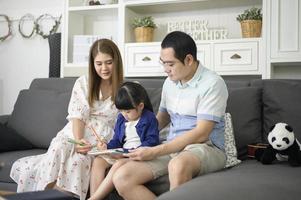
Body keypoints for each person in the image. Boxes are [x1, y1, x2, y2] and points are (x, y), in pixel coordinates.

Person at [111, 31, 229, 200]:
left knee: (178, 165)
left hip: (206, 146)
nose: (166, 69)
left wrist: (156, 150)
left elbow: (201, 133)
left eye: (170, 64)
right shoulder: (170, 83)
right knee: (122, 177)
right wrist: (134, 142)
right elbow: (162, 118)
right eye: (163, 63)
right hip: (173, 146)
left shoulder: (212, 83)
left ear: (188, 60)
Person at [10, 38, 124, 200]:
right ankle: (41, 195)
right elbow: (78, 115)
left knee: (78, 162)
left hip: (100, 141)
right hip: (75, 134)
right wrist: (79, 141)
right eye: (99, 63)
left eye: (109, 62)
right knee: (58, 149)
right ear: (92, 64)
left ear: (116, 61)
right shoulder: (84, 82)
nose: (104, 68)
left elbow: (126, 122)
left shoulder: (125, 88)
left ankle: (51, 197)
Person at [89, 81, 160, 200]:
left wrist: (128, 152)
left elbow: (152, 141)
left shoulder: (149, 118)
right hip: (122, 153)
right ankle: (93, 195)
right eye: (121, 111)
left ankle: (95, 199)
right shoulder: (121, 118)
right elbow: (117, 139)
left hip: (137, 155)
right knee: (98, 161)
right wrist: (107, 147)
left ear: (140, 106)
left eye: (128, 111)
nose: (124, 115)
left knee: (119, 164)